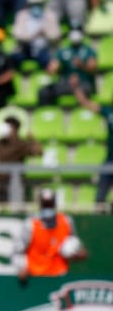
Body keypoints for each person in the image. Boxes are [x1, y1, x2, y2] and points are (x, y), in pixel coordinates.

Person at [14, 187, 87, 284]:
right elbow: (17, 251)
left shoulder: (66, 221)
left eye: (49, 205)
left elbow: (75, 243)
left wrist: (77, 254)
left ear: (54, 204)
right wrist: (22, 267)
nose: (47, 208)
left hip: (59, 277)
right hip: (35, 277)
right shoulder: (31, 224)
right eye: (45, 205)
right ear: (40, 205)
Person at [0, 116, 42, 205]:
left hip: (15, 185)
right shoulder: (0, 142)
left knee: (16, 211)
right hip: (0, 185)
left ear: (14, 129)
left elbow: (38, 152)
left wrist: (33, 139)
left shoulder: (21, 144)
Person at [71, 77, 113, 209]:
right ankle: (98, 215)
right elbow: (85, 102)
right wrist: (76, 88)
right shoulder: (109, 112)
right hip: (110, 159)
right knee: (100, 197)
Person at [38, 24, 97, 106]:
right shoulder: (63, 51)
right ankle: (48, 115)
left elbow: (93, 69)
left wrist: (81, 65)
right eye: (72, 31)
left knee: (83, 91)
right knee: (44, 92)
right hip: (66, 83)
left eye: (77, 31)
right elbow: (52, 67)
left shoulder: (89, 50)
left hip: (83, 83)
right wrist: (53, 69)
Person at [11, 0, 60, 71]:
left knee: (52, 62)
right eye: (33, 4)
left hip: (44, 49)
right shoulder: (21, 15)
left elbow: (56, 35)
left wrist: (46, 34)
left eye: (39, 4)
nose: (36, 6)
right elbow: (17, 35)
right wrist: (34, 35)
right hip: (26, 49)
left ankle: (48, 81)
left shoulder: (50, 15)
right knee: (12, 58)